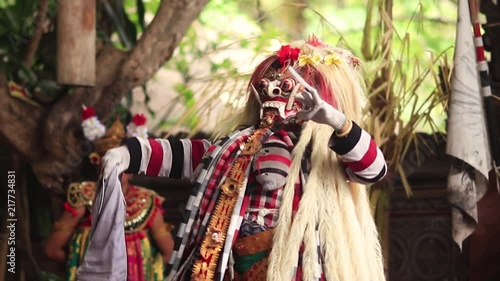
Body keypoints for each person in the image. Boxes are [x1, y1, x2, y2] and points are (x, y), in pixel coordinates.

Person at [102, 36, 387, 281]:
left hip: (299, 260)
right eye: (269, 86)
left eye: (287, 88)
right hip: (234, 255)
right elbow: (194, 156)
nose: (275, 93)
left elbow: (374, 168)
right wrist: (130, 153)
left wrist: (337, 121)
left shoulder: (324, 156)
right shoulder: (237, 146)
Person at [44, 111, 175, 281]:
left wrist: (147, 270)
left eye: (122, 164)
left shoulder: (147, 200)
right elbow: (52, 250)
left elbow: (168, 253)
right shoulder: (84, 196)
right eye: (110, 162)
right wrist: (75, 265)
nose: (117, 170)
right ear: (98, 163)